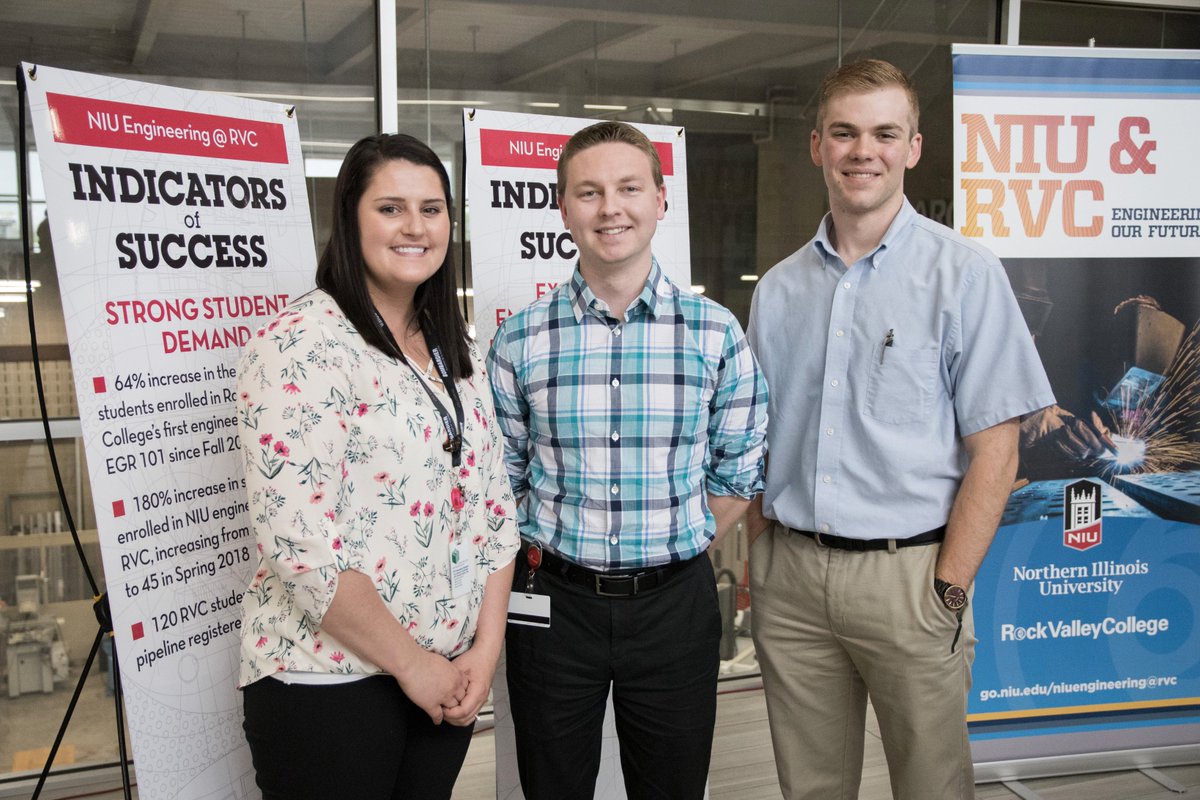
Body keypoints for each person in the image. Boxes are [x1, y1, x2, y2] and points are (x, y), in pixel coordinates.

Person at [745, 60, 1054, 800]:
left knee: (931, 786)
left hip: (910, 577)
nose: (864, 151)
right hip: (791, 580)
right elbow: (756, 444)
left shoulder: (966, 274)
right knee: (809, 787)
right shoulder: (779, 290)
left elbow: (997, 450)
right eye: (845, 133)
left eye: (885, 133)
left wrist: (948, 588)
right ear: (817, 145)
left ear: (913, 148)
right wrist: (761, 564)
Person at [487, 120, 768, 800]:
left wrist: (668, 545)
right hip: (553, 605)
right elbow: (503, 482)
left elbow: (738, 470)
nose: (609, 208)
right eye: (588, 192)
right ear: (563, 209)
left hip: (675, 605)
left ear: (661, 201)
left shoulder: (714, 334)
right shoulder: (520, 339)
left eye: (628, 188)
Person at [235, 133, 518, 800]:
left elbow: (495, 508)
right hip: (327, 684)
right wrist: (414, 666)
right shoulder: (302, 345)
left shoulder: (458, 348)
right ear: (350, 218)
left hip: (447, 680)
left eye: (432, 208)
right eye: (391, 208)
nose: (416, 227)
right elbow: (299, 546)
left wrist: (485, 651)